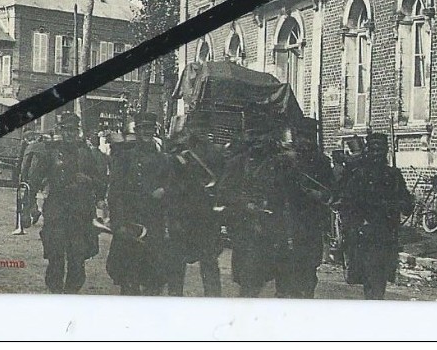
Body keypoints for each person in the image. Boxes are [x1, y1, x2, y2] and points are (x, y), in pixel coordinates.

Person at [217, 119, 333, 298]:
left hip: (280, 231)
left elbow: (292, 192)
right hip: (251, 231)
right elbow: (225, 192)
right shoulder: (238, 163)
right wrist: (245, 204)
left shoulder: (282, 163)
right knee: (250, 283)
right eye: (252, 136)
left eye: (261, 136)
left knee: (288, 283)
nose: (257, 141)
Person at [336, 132, 412, 300]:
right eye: (374, 150)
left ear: (386, 152)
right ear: (368, 151)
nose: (377, 154)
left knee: (379, 284)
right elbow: (346, 205)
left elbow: (407, 205)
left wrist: (398, 204)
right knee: (372, 283)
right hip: (366, 238)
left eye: (381, 150)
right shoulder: (359, 176)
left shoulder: (393, 176)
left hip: (386, 237)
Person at [38, 113, 105, 294]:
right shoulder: (51, 152)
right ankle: (56, 291)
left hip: (80, 213)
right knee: (56, 256)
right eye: (66, 130)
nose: (69, 135)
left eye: (73, 131)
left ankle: (71, 293)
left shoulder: (87, 154)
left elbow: (101, 182)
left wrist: (88, 180)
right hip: (57, 212)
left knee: (77, 258)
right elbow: (37, 177)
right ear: (60, 130)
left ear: (78, 132)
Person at [105, 112, 171, 296]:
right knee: (129, 273)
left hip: (154, 221)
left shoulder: (163, 159)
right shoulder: (125, 157)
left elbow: (172, 186)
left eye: (150, 129)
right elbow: (115, 192)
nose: (147, 132)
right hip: (131, 219)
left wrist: (164, 190)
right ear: (137, 131)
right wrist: (118, 224)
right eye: (143, 129)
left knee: (154, 273)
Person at [163, 127, 224, 297]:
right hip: (191, 215)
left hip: (195, 216)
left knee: (204, 263)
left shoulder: (205, 152)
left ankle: (207, 298)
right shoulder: (184, 152)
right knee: (200, 263)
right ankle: (211, 298)